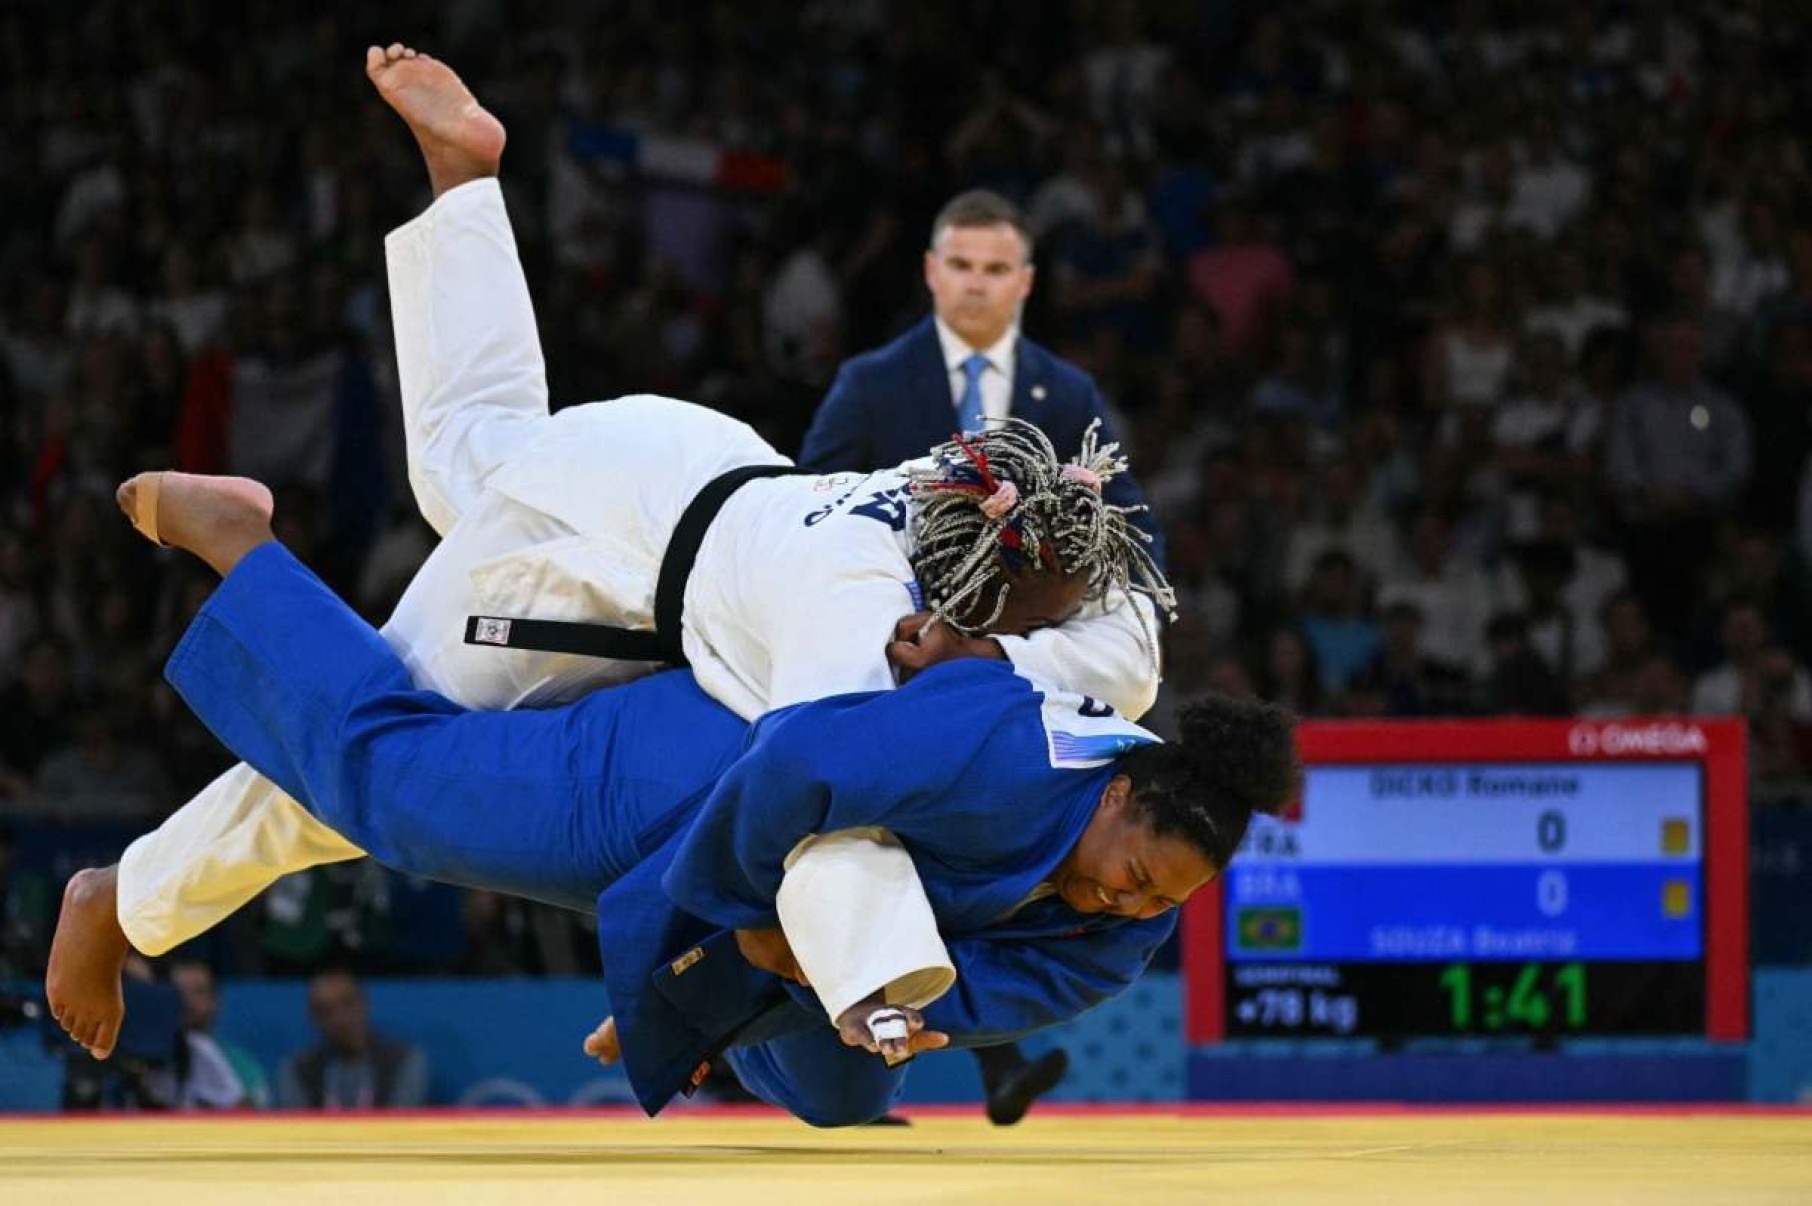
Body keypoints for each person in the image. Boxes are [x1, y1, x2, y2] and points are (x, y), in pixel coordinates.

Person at [45, 45, 1174, 1060]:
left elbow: (1114, 632)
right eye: (1027, 621)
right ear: (977, 601)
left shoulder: (966, 494)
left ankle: (465, 184)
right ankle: (128, 887)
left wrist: (995, 664)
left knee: (466, 460)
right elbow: (816, 814)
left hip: (674, 458)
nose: (1048, 631)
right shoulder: (858, 614)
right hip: (607, 576)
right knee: (368, 764)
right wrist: (690, 978)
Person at [76, 470, 1296, 1125]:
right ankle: (243, 550)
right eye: (1133, 871)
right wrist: (680, 954)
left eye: (1156, 905)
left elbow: (956, 1000)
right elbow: (790, 772)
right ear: (1120, 784)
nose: (1124, 903)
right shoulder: (990, 732)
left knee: (843, 1090)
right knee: (401, 799)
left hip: (786, 878)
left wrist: (718, 999)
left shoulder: (1124, 918)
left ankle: (724, 1002)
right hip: (697, 768)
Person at [800, 186, 1171, 1122]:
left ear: (1027, 282)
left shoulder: (1068, 393)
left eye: (996, 269)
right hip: (890, 662)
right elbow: (812, 508)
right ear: (931, 272)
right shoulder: (872, 384)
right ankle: (885, 1041)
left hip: (1018, 676)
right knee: (886, 844)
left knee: (997, 854)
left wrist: (1104, 627)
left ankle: (978, 1047)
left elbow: (1122, 533)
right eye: (960, 265)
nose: (976, 285)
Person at [277, 969, 429, 1110]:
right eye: (327, 1011)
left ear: (364, 1003)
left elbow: (401, 1125)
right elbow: (298, 1129)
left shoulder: (404, 1061)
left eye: (348, 1004)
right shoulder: (297, 1069)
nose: (340, 1019)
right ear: (314, 1019)